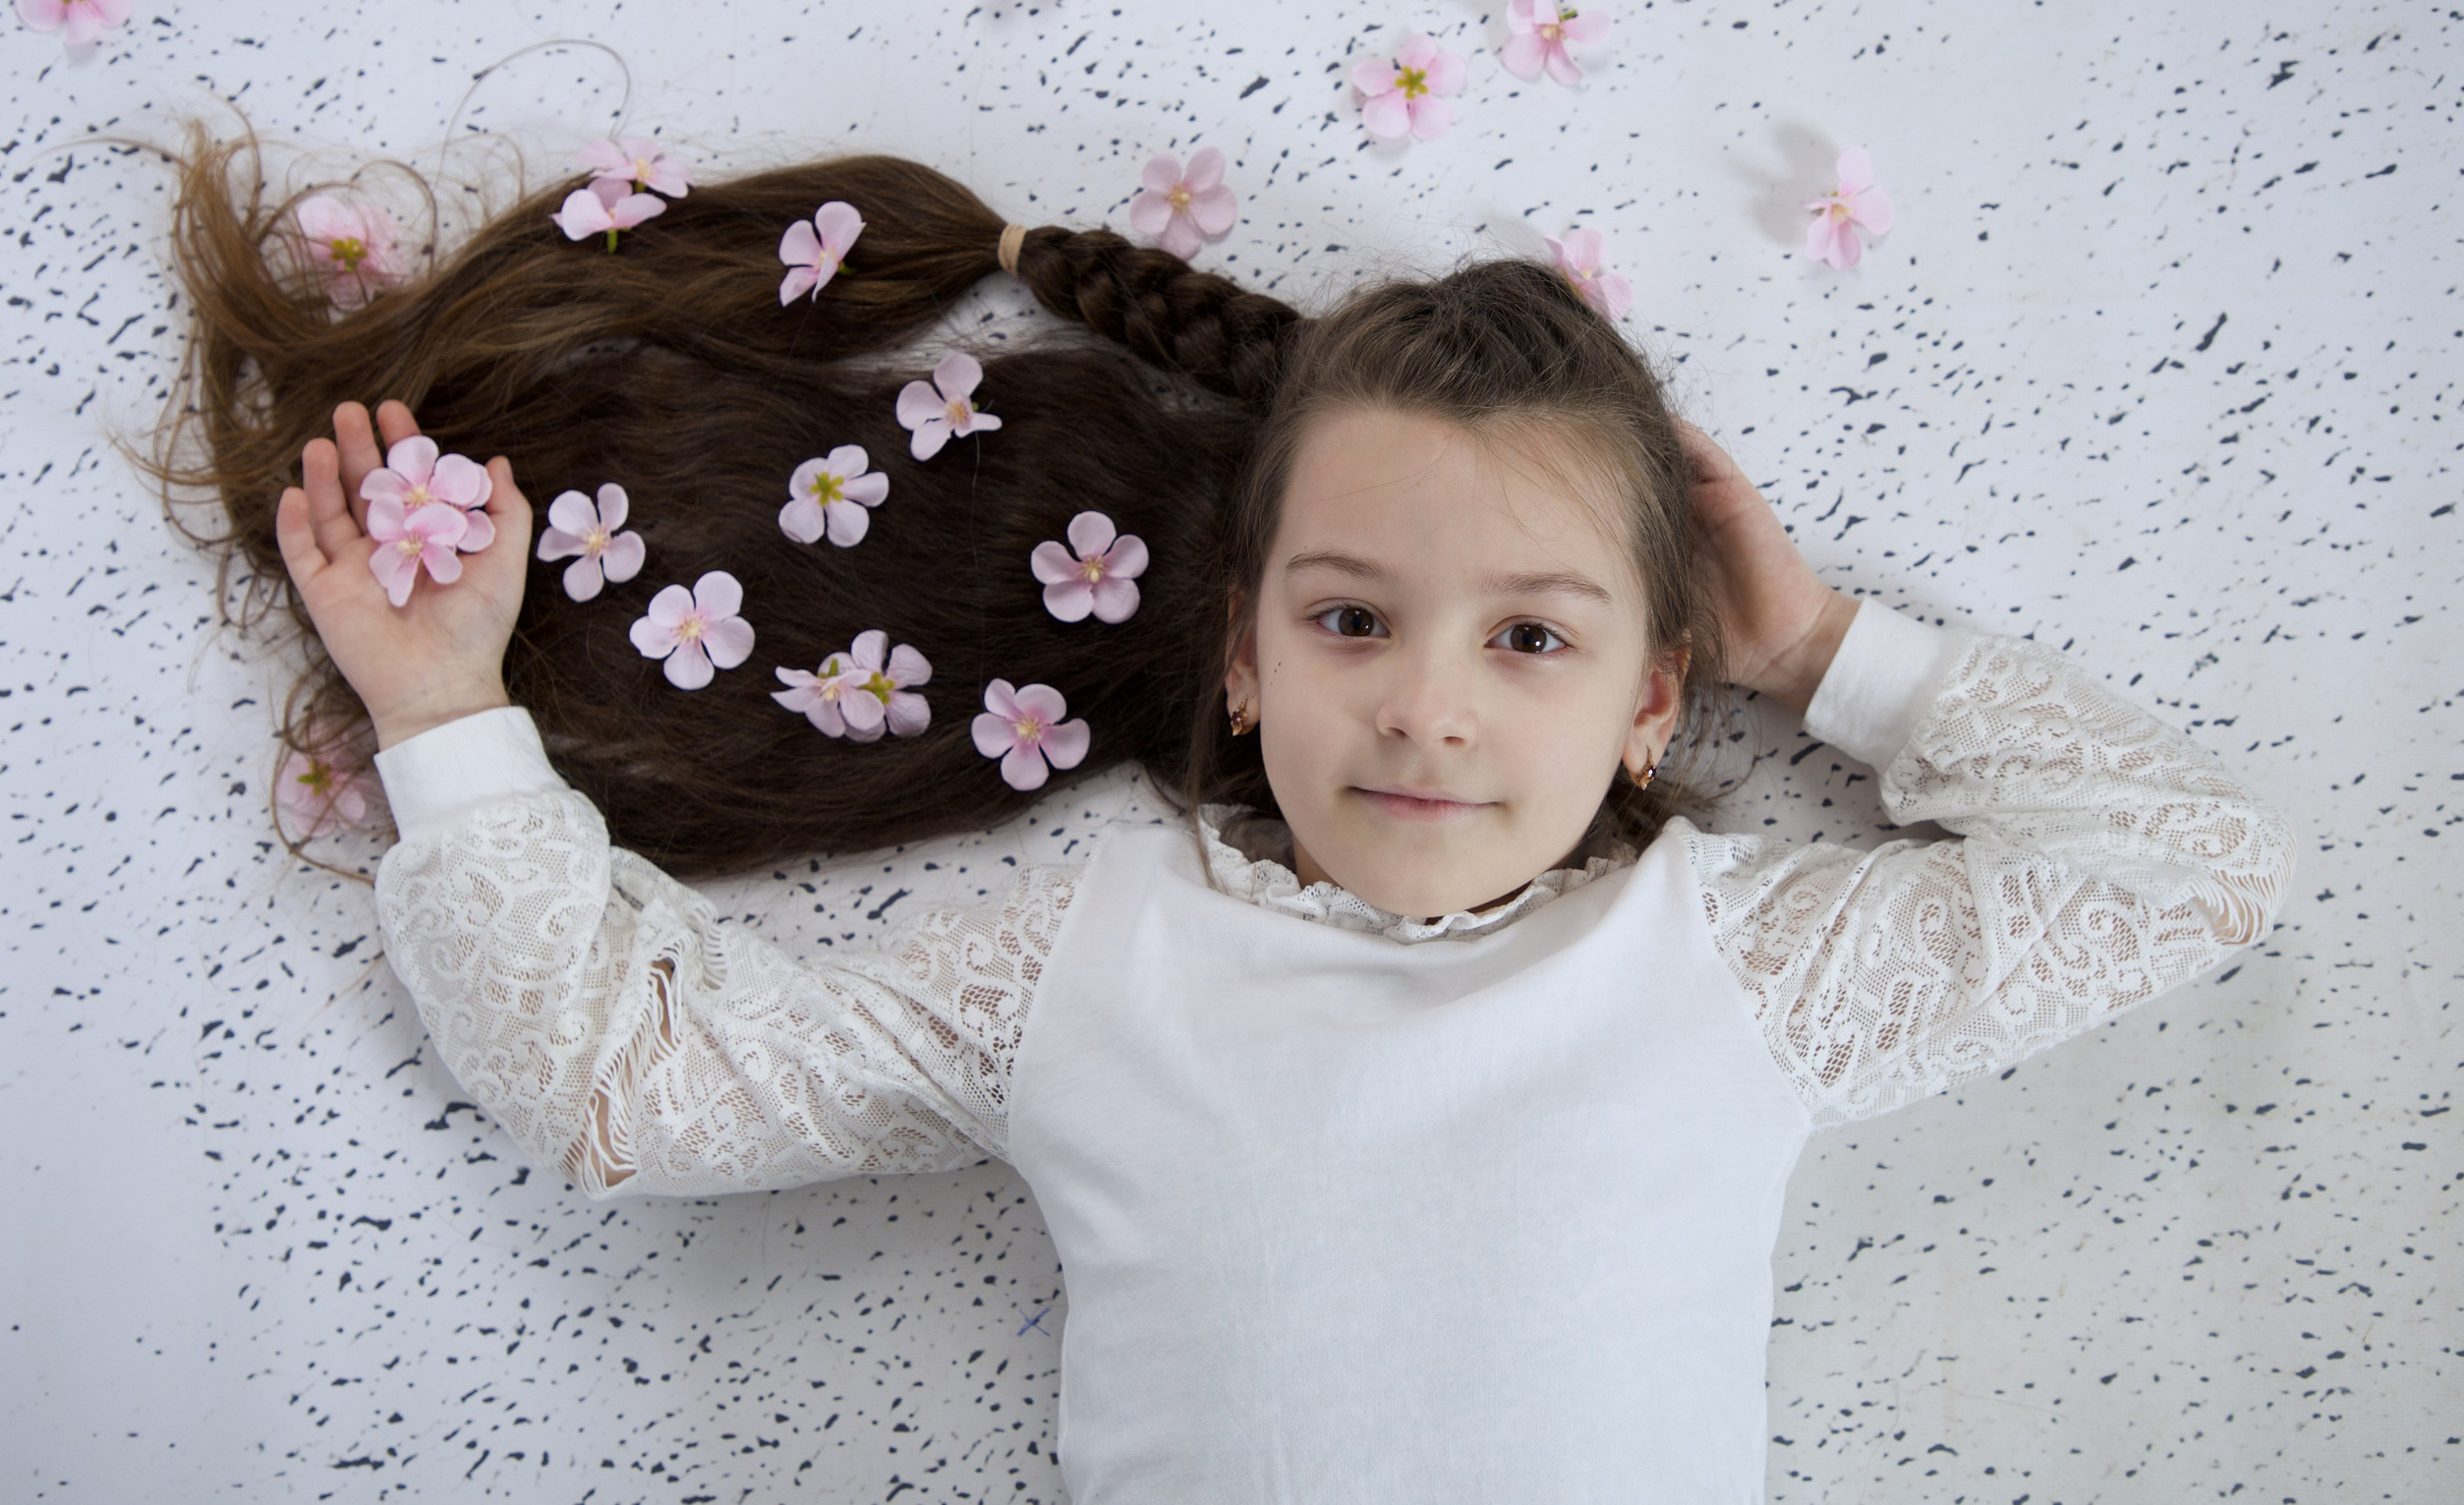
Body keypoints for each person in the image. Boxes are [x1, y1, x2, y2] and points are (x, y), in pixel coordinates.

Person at [159, 128, 2297, 1504]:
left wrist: (1821, 645)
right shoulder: (1086, 962)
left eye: (1533, 641)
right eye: (1353, 615)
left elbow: (2195, 867)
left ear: (1653, 694)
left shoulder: (1736, 964)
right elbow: (625, 1088)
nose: (1427, 707)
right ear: (1248, 656)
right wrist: (441, 715)